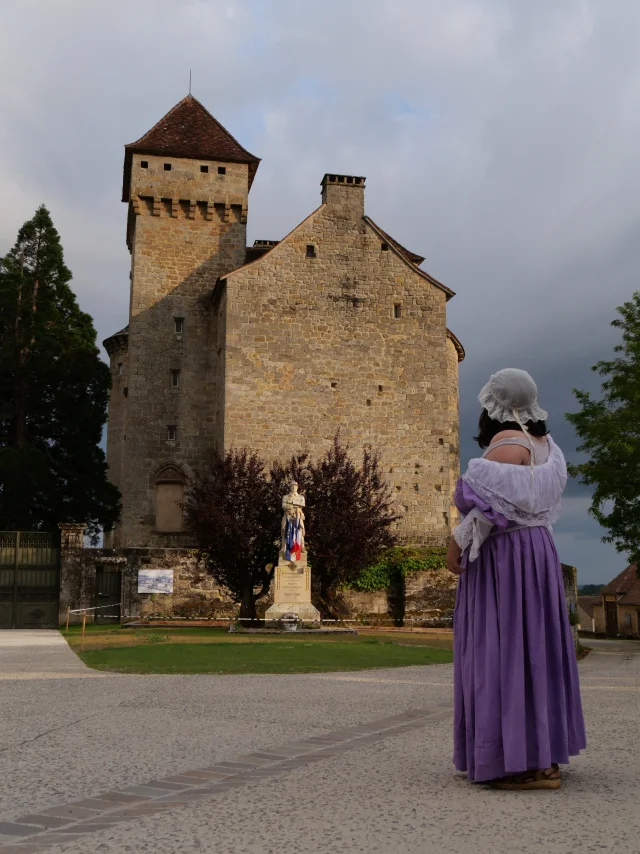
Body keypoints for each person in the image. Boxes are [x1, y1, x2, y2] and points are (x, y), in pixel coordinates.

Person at [447, 368, 586, 790]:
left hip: (506, 562)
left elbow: (487, 511)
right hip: (537, 555)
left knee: (502, 650)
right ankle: (542, 754)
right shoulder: (548, 445)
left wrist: (455, 546)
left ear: (494, 405)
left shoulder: (506, 445)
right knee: (534, 651)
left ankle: (519, 764)